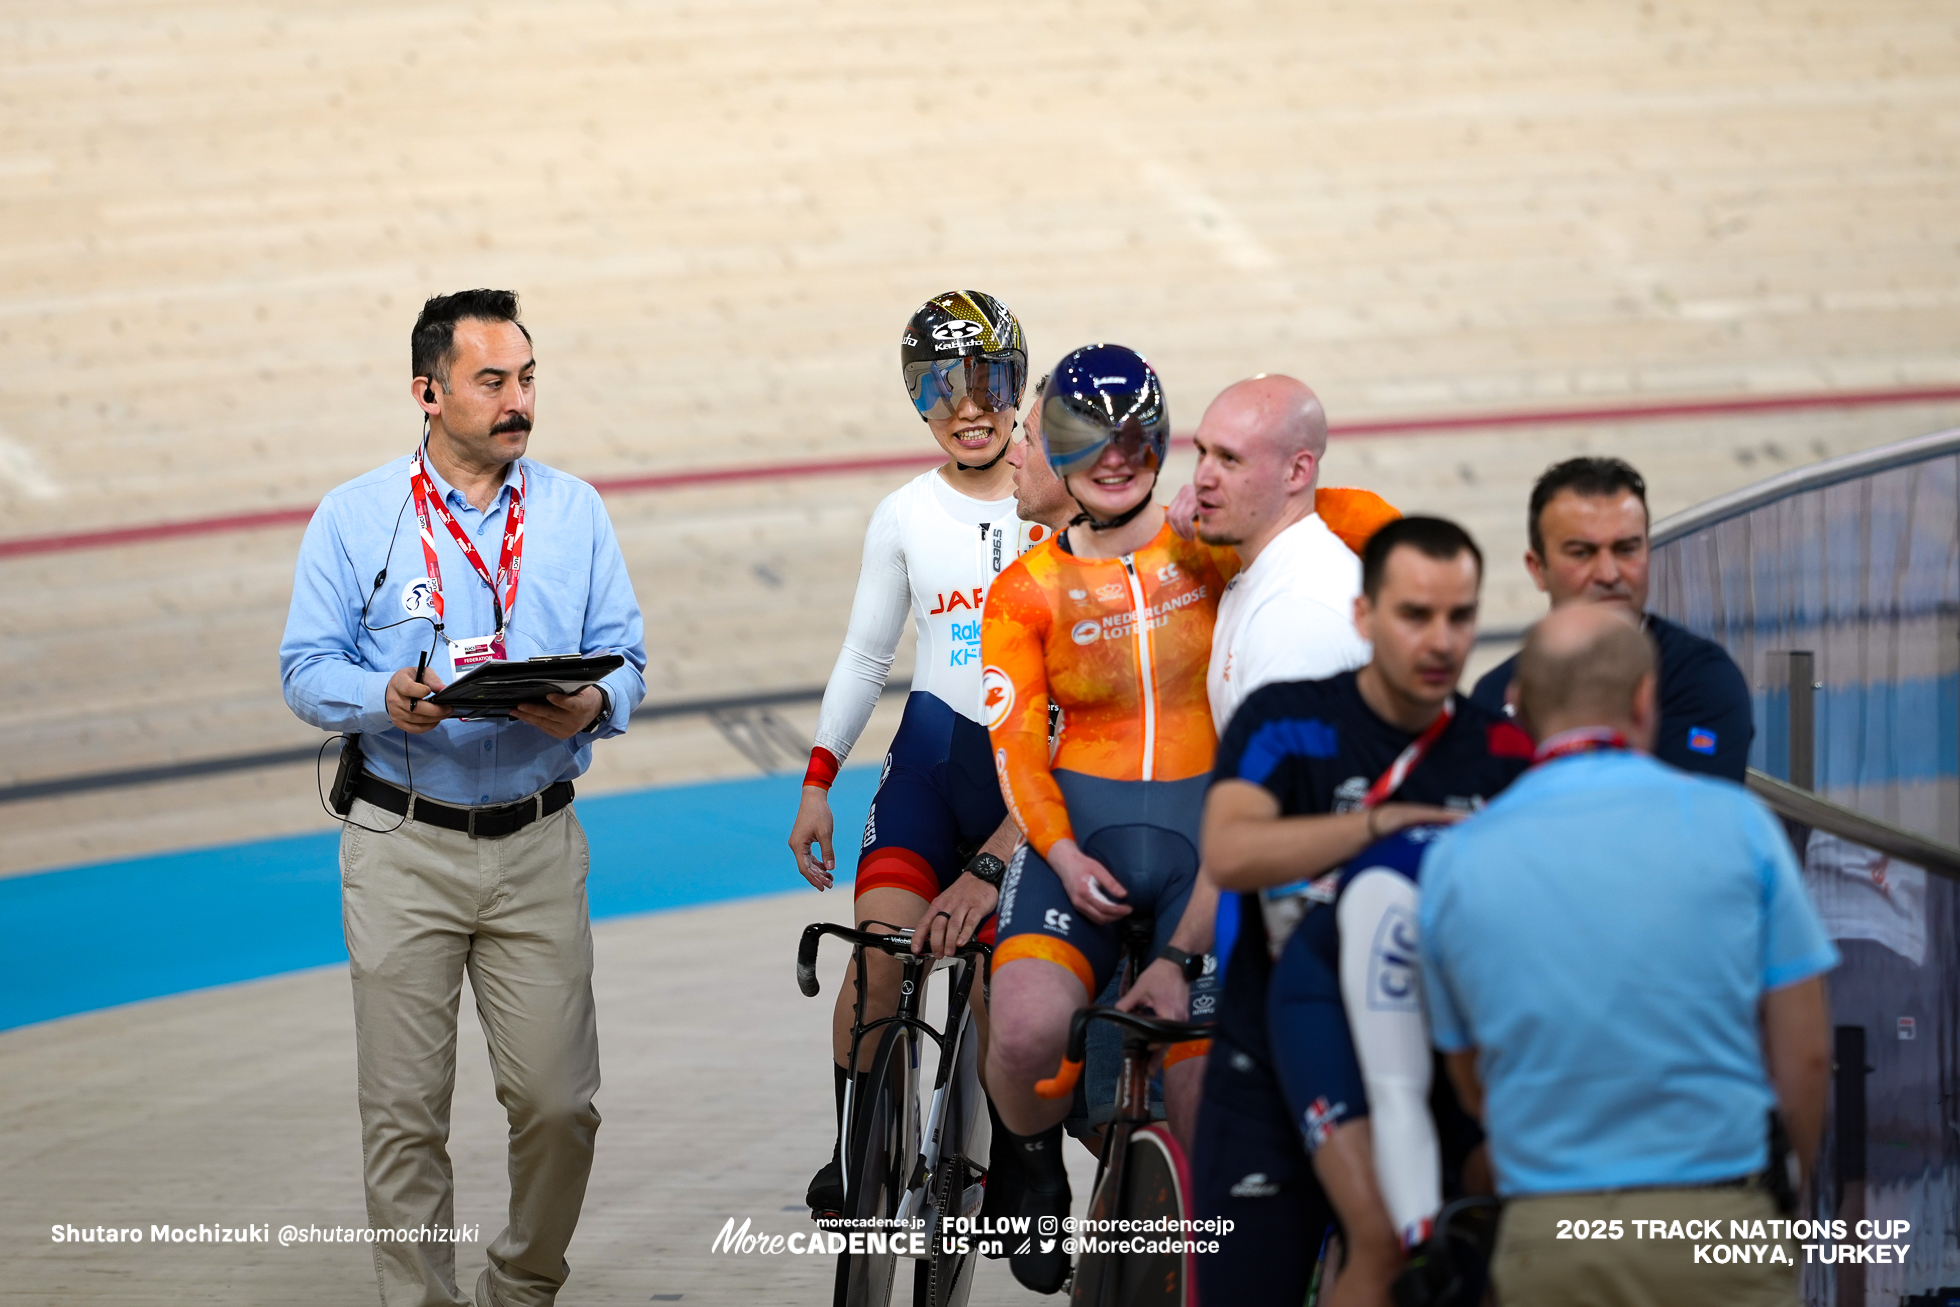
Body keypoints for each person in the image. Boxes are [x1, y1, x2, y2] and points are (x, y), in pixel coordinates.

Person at [280, 289, 647, 1307]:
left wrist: (595, 704)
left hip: (536, 843)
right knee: (404, 1112)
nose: (516, 400)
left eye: (526, 378)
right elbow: (304, 667)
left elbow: (632, 663)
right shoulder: (356, 516)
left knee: (559, 1103)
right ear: (427, 393)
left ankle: (523, 1283)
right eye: (492, 381)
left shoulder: (573, 510)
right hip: (403, 839)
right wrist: (378, 697)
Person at [1421, 604, 1836, 1307]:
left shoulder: (1457, 858)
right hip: (1719, 1222)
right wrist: (1780, 1210)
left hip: (1550, 1230)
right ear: (1646, 699)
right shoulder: (1739, 826)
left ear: (1518, 708)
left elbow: (1469, 1076)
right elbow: (1805, 1057)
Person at [1199, 517, 1532, 1307]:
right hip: (1270, 1072)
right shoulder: (1286, 719)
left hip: (1435, 1070)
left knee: (1418, 1260)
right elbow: (1230, 851)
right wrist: (1381, 826)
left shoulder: (1505, 751)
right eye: (1416, 614)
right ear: (1364, 617)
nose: (1442, 640)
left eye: (1461, 616)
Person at [785, 290, 1054, 1220]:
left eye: (988, 381)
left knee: (999, 985)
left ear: (1018, 385)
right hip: (933, 764)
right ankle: (855, 1144)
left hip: (1023, 782)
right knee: (874, 959)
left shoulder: (1054, 495)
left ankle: (1023, 1163)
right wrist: (818, 781)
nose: (969, 405)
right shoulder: (903, 513)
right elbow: (866, 656)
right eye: (942, 388)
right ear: (916, 401)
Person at [980, 343, 1234, 1293]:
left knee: (1207, 1104)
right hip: (1075, 838)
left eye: (1135, 434)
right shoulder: (1027, 588)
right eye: (1090, 438)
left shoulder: (1207, 547)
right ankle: (1030, 1158)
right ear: (1056, 447)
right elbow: (1016, 750)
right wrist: (1056, 850)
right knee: (1021, 1033)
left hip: (1202, 842)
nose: (1116, 455)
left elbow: (1338, 513)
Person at [1469, 456, 1752, 781]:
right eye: (1581, 553)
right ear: (1538, 569)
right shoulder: (1492, 695)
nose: (1608, 574)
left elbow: (1685, 818)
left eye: (1626, 549)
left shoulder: (1703, 679)